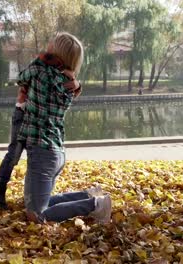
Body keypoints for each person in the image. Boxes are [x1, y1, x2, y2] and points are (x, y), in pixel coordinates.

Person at [18, 32, 112, 223]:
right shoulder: (70, 84)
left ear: (55, 51)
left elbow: (21, 78)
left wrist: (42, 58)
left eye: (51, 44)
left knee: (36, 215)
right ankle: (87, 195)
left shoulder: (40, 70)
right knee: (40, 203)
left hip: (41, 151)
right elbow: (74, 87)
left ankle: (96, 205)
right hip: (56, 152)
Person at [0, 56, 81, 210]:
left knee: (36, 154)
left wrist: (77, 85)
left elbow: (68, 96)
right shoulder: (39, 65)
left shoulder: (64, 72)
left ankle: (34, 194)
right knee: (14, 154)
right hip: (23, 113)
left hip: (40, 122)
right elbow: (21, 79)